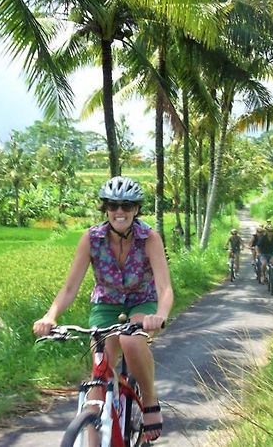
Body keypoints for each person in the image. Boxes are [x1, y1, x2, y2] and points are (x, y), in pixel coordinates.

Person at [33, 176, 173, 443]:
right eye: (113, 205)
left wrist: (160, 315)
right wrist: (50, 316)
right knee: (100, 372)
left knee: (131, 341)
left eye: (127, 206)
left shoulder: (149, 238)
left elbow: (165, 288)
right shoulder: (91, 238)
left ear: (136, 209)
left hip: (141, 301)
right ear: (105, 208)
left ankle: (150, 402)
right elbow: (69, 288)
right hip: (105, 304)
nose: (119, 211)